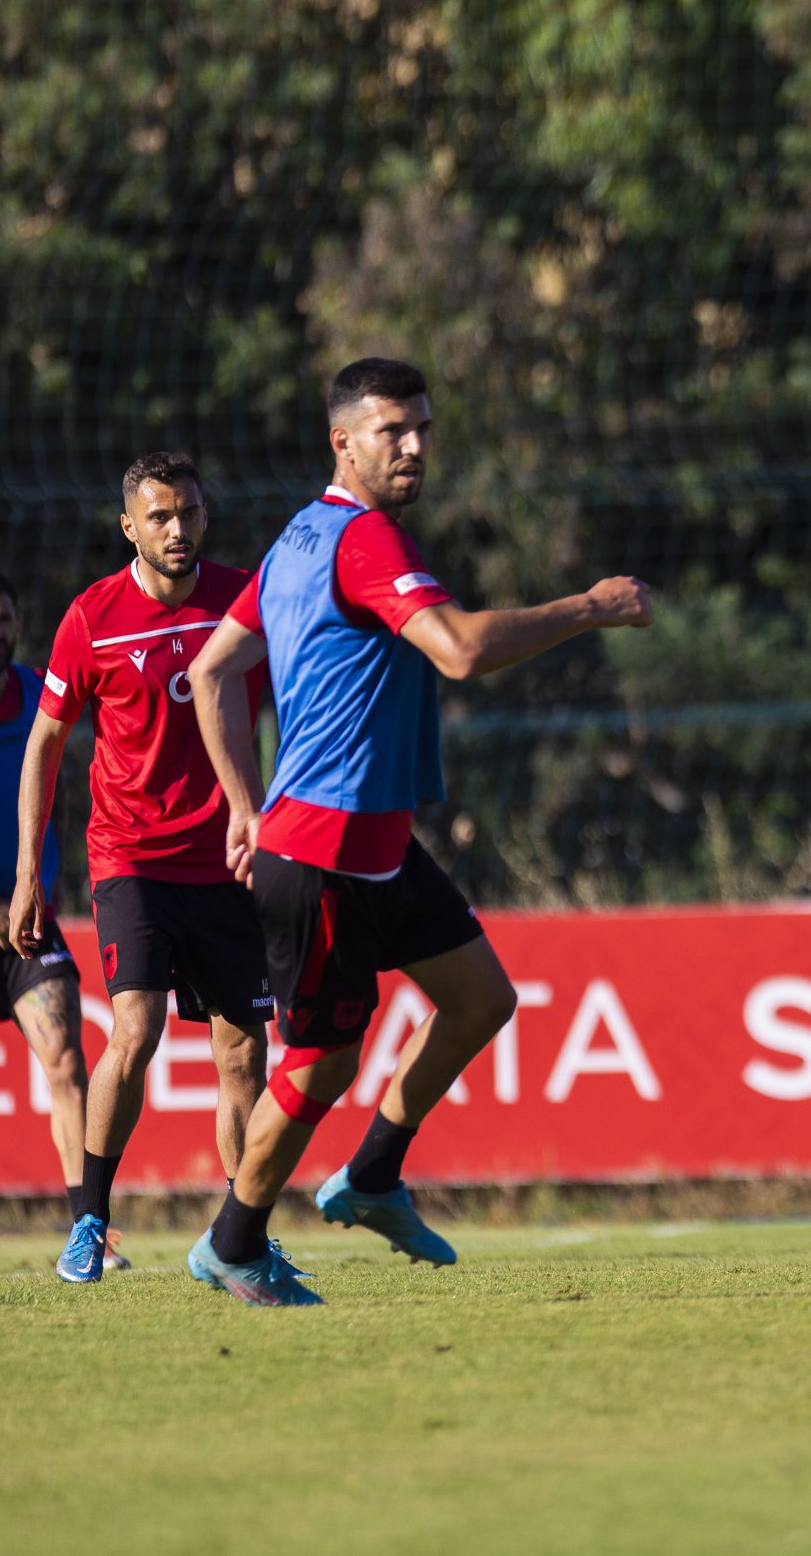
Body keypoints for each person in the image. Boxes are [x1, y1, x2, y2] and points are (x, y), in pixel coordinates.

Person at [186, 357, 651, 1306]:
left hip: (377, 849)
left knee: (482, 999)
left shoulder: (297, 539)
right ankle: (231, 1242)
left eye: (424, 428)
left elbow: (213, 667)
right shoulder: (359, 541)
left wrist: (243, 800)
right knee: (324, 1063)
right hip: (318, 855)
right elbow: (463, 650)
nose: (414, 447)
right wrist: (591, 607)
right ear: (343, 441)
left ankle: (371, 1177)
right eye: (393, 430)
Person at [13, 453, 275, 1283]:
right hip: (130, 857)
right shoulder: (91, 617)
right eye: (160, 515)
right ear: (130, 525)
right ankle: (89, 1219)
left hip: (226, 859)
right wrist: (29, 871)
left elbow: (283, 706)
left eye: (189, 512)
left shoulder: (242, 600)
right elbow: (45, 744)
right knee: (137, 1029)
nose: (177, 529)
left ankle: (240, 1237)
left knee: (243, 1055)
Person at [0, 566, 94, 1278]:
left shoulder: (35, 692)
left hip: (26, 917)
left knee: (68, 1059)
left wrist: (42, 882)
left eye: (3, 617)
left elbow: (56, 787)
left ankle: (88, 1226)